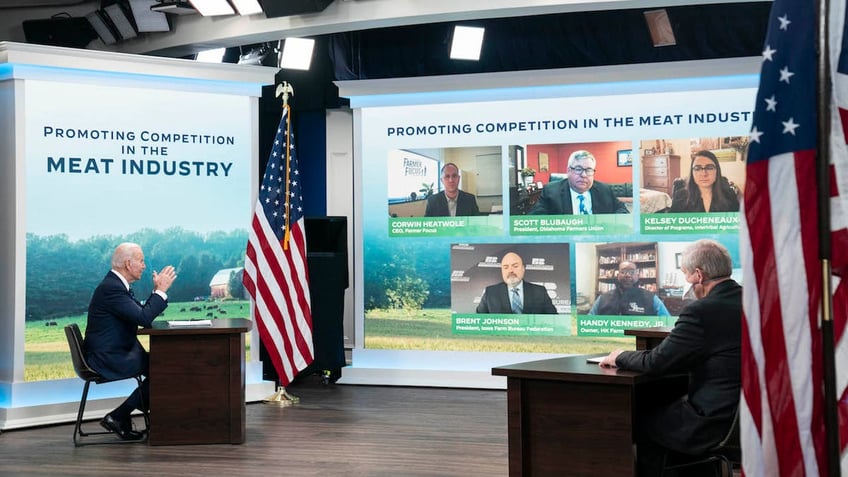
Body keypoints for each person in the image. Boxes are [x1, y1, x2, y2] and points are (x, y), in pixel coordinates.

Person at [598, 239, 741, 476]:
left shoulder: (701, 311)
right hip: (745, 419)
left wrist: (620, 356)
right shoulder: (751, 302)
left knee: (639, 421)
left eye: (685, 274)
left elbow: (657, 362)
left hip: (712, 422)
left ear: (698, 275)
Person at [83, 242, 177, 440]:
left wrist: (155, 292)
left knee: (165, 367)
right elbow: (144, 318)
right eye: (141, 261)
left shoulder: (116, 285)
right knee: (166, 369)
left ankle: (121, 416)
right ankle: (119, 416)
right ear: (128, 263)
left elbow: (140, 314)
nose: (144, 266)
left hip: (115, 353)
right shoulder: (113, 288)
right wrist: (160, 290)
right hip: (107, 358)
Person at [529, 150, 629, 215]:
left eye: (589, 170)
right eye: (578, 169)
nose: (584, 175)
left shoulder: (605, 190)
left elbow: (622, 210)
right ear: (568, 171)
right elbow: (534, 219)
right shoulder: (551, 192)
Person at [476, 251, 557, 314]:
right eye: (506, 267)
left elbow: (554, 320)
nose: (510, 270)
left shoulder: (539, 292)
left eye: (515, 266)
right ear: (502, 271)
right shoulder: (490, 293)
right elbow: (479, 322)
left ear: (523, 269)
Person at [669, 150, 740, 213]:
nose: (704, 173)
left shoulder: (729, 195)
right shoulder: (680, 196)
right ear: (692, 172)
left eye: (709, 168)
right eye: (697, 168)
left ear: (717, 171)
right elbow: (673, 225)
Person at [589, 261, 670, 316]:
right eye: (623, 272)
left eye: (631, 272)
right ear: (617, 276)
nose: (627, 275)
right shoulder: (603, 299)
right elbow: (589, 323)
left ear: (637, 276)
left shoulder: (652, 298)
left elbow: (667, 324)